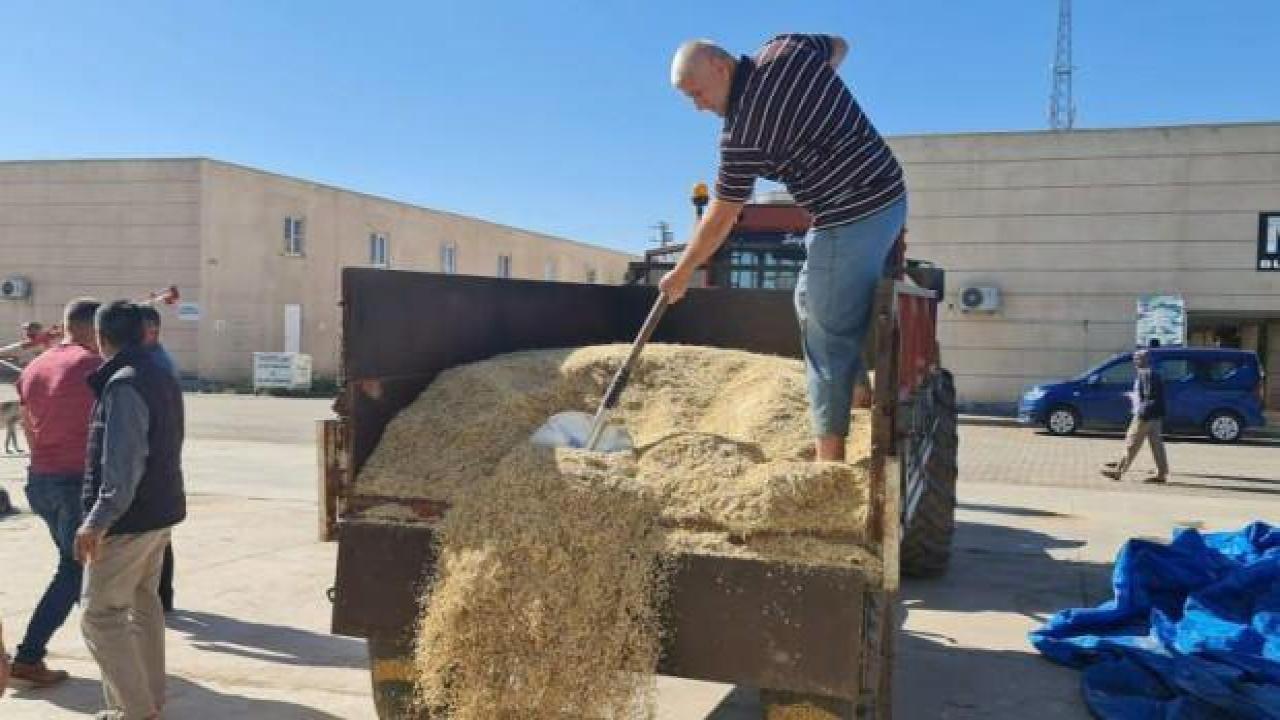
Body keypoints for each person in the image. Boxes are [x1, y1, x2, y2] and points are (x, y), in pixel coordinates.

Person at [661, 34, 907, 461]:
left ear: (720, 65)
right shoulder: (787, 48)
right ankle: (857, 392)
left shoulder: (742, 135)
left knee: (825, 340)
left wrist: (682, 272)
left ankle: (827, 461)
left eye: (696, 92)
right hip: (887, 192)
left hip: (852, 213)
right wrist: (816, 102)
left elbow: (720, 218)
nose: (697, 106)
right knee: (806, 300)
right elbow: (840, 46)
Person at [77, 301, 186, 720]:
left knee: (100, 617)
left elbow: (124, 466)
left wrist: (97, 522)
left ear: (102, 340)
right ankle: (148, 702)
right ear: (146, 335)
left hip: (127, 520)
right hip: (159, 514)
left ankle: (134, 711)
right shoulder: (161, 375)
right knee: (143, 607)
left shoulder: (123, 385)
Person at [8, 298, 102, 688]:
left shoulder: (35, 366)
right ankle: (28, 657)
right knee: (74, 569)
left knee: (81, 569)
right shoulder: (94, 366)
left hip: (41, 479)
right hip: (74, 481)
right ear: (94, 329)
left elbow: (30, 428)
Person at [137, 305, 177, 612]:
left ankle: (161, 596)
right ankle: (161, 596)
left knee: (157, 539)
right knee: (159, 537)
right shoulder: (154, 362)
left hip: (152, 466)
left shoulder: (154, 366)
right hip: (158, 465)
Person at [1102, 350, 1169, 484]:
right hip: (1155, 415)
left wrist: (1142, 413)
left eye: (1137, 359)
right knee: (1156, 445)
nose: (1134, 361)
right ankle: (1162, 473)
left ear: (1145, 360)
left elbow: (1150, 396)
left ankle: (1119, 471)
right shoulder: (1153, 373)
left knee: (1132, 443)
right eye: (1135, 359)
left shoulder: (1146, 373)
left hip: (1145, 415)